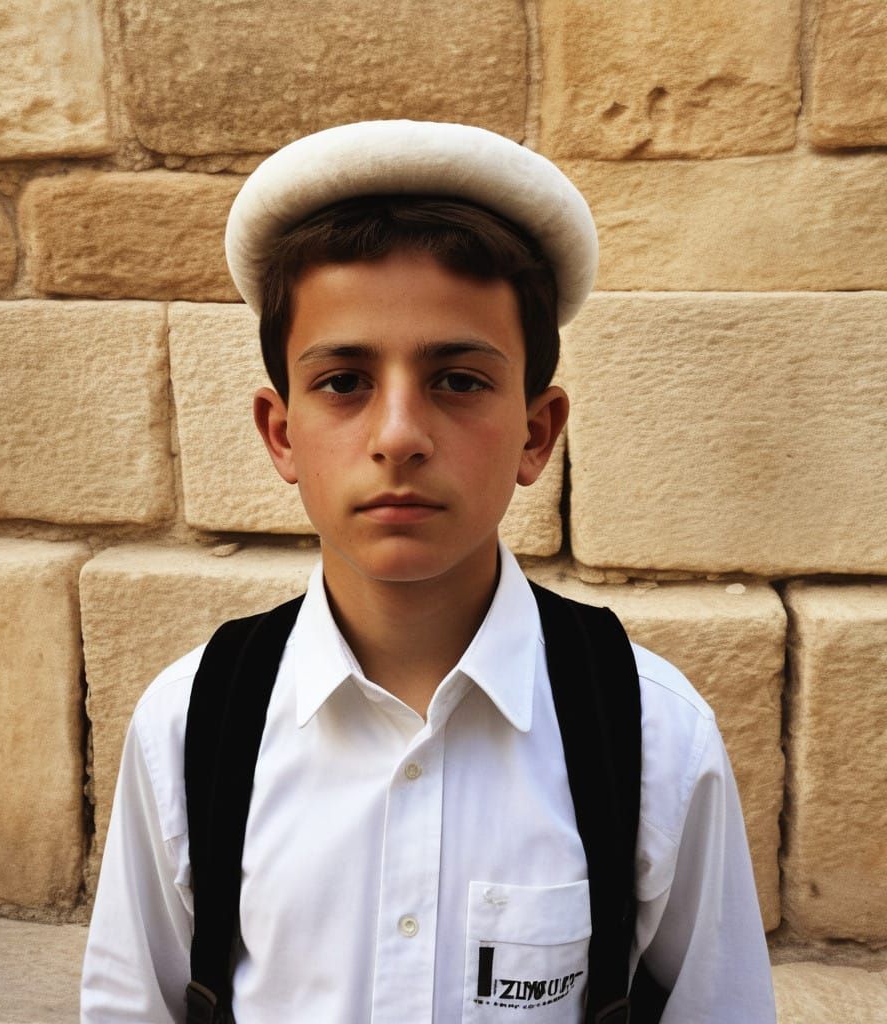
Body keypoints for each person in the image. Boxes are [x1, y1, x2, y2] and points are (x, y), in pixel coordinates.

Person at [81, 120, 776, 1023]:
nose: (399, 435)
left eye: (456, 380)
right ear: (281, 432)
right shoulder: (190, 726)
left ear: (536, 433)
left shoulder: (652, 735)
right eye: (342, 382)